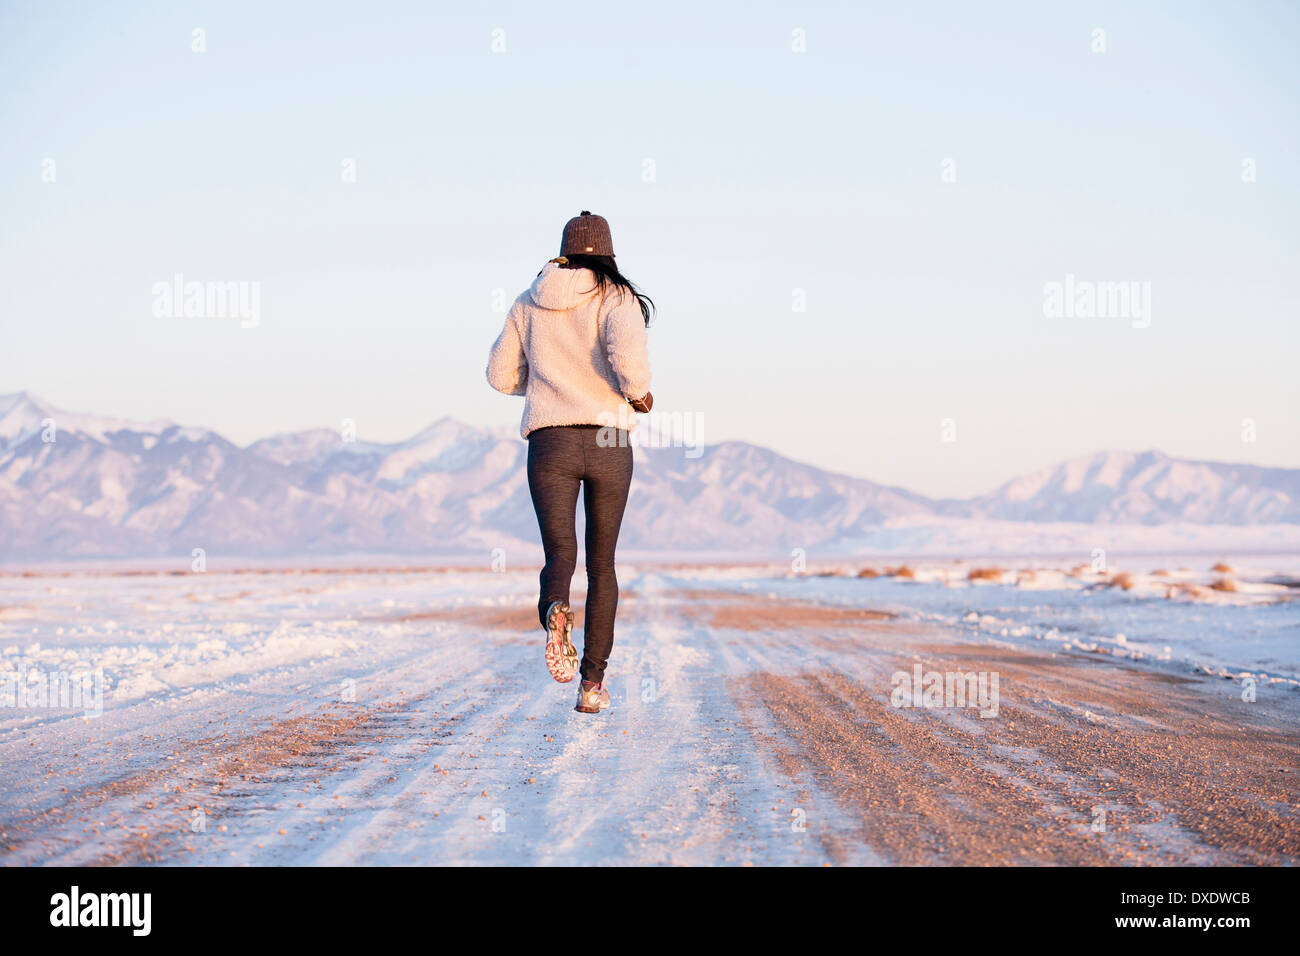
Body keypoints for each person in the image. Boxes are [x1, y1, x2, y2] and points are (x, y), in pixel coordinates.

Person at [486, 211, 654, 714]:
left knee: (561, 554)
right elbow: (629, 364)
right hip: (607, 437)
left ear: (563, 249)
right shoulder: (616, 296)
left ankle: (555, 608)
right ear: (606, 252)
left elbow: (499, 375)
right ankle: (592, 686)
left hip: (551, 439)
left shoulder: (528, 301)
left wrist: (542, 385)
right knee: (603, 567)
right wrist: (640, 396)